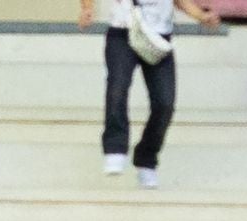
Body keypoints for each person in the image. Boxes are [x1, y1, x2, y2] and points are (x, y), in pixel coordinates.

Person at [85, 0, 218, 189]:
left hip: (159, 36)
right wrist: (87, 8)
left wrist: (201, 16)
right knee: (117, 87)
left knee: (165, 102)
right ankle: (115, 148)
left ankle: (146, 159)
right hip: (122, 32)